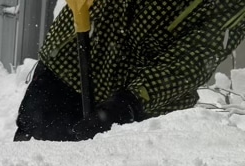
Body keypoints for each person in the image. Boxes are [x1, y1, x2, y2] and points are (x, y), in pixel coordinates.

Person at [14, 0, 245, 142]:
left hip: (144, 103)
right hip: (70, 63)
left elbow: (193, 58)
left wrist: (130, 103)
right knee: (32, 165)